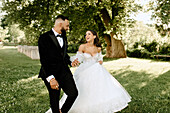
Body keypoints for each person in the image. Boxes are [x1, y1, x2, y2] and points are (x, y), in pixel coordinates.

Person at [52, 30, 131, 113]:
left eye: (89, 34)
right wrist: (74, 61)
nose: (86, 36)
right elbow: (79, 58)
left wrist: (100, 61)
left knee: (99, 87)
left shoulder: (98, 48)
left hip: (96, 70)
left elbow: (100, 58)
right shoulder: (82, 46)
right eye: (86, 34)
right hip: (85, 70)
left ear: (94, 36)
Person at [38, 15, 78, 113]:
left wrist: (70, 61)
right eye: (67, 26)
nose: (68, 28)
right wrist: (51, 78)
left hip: (64, 71)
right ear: (60, 24)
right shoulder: (44, 38)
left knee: (73, 93)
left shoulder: (63, 36)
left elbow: (62, 53)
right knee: (54, 98)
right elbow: (44, 60)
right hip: (50, 72)